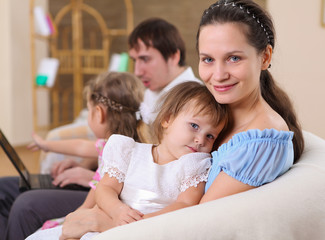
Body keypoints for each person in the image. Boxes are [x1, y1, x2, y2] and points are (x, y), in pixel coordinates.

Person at [26, 81, 229, 240]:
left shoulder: (193, 167)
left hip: (143, 231)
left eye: (210, 136)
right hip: (111, 220)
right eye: (194, 126)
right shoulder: (129, 151)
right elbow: (104, 189)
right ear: (167, 119)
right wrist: (117, 210)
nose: (200, 140)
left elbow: (185, 206)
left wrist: (134, 225)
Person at [0, 71, 149, 239]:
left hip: (97, 201)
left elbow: (91, 199)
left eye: (88, 109)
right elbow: (80, 147)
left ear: (99, 113)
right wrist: (48, 146)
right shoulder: (129, 146)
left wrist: (46, 145)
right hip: (93, 196)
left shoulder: (114, 149)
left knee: (24, 204)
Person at [195, 0, 304, 203]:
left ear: (265, 57)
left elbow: (200, 221)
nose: (218, 75)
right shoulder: (209, 118)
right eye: (208, 59)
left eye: (233, 58)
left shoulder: (262, 142)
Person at [129, 17, 202, 124]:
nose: (137, 72)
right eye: (134, 60)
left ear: (173, 57)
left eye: (145, 59)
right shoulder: (149, 92)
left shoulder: (197, 100)